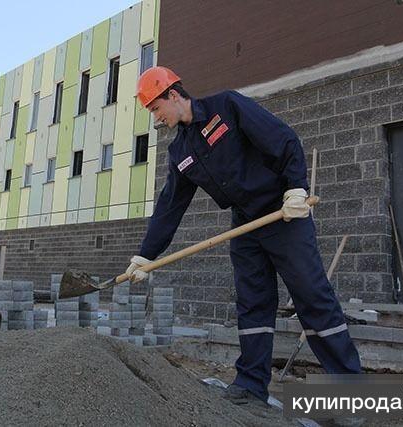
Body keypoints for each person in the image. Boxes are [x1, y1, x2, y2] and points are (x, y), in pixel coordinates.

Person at [126, 66, 361, 405]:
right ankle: (251, 385)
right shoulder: (180, 152)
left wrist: (296, 188)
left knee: (312, 296)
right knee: (253, 303)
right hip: (246, 225)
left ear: (173, 95)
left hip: (283, 214)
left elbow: (283, 138)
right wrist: (146, 255)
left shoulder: (227, 106)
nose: (157, 119)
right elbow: (170, 206)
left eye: (155, 109)